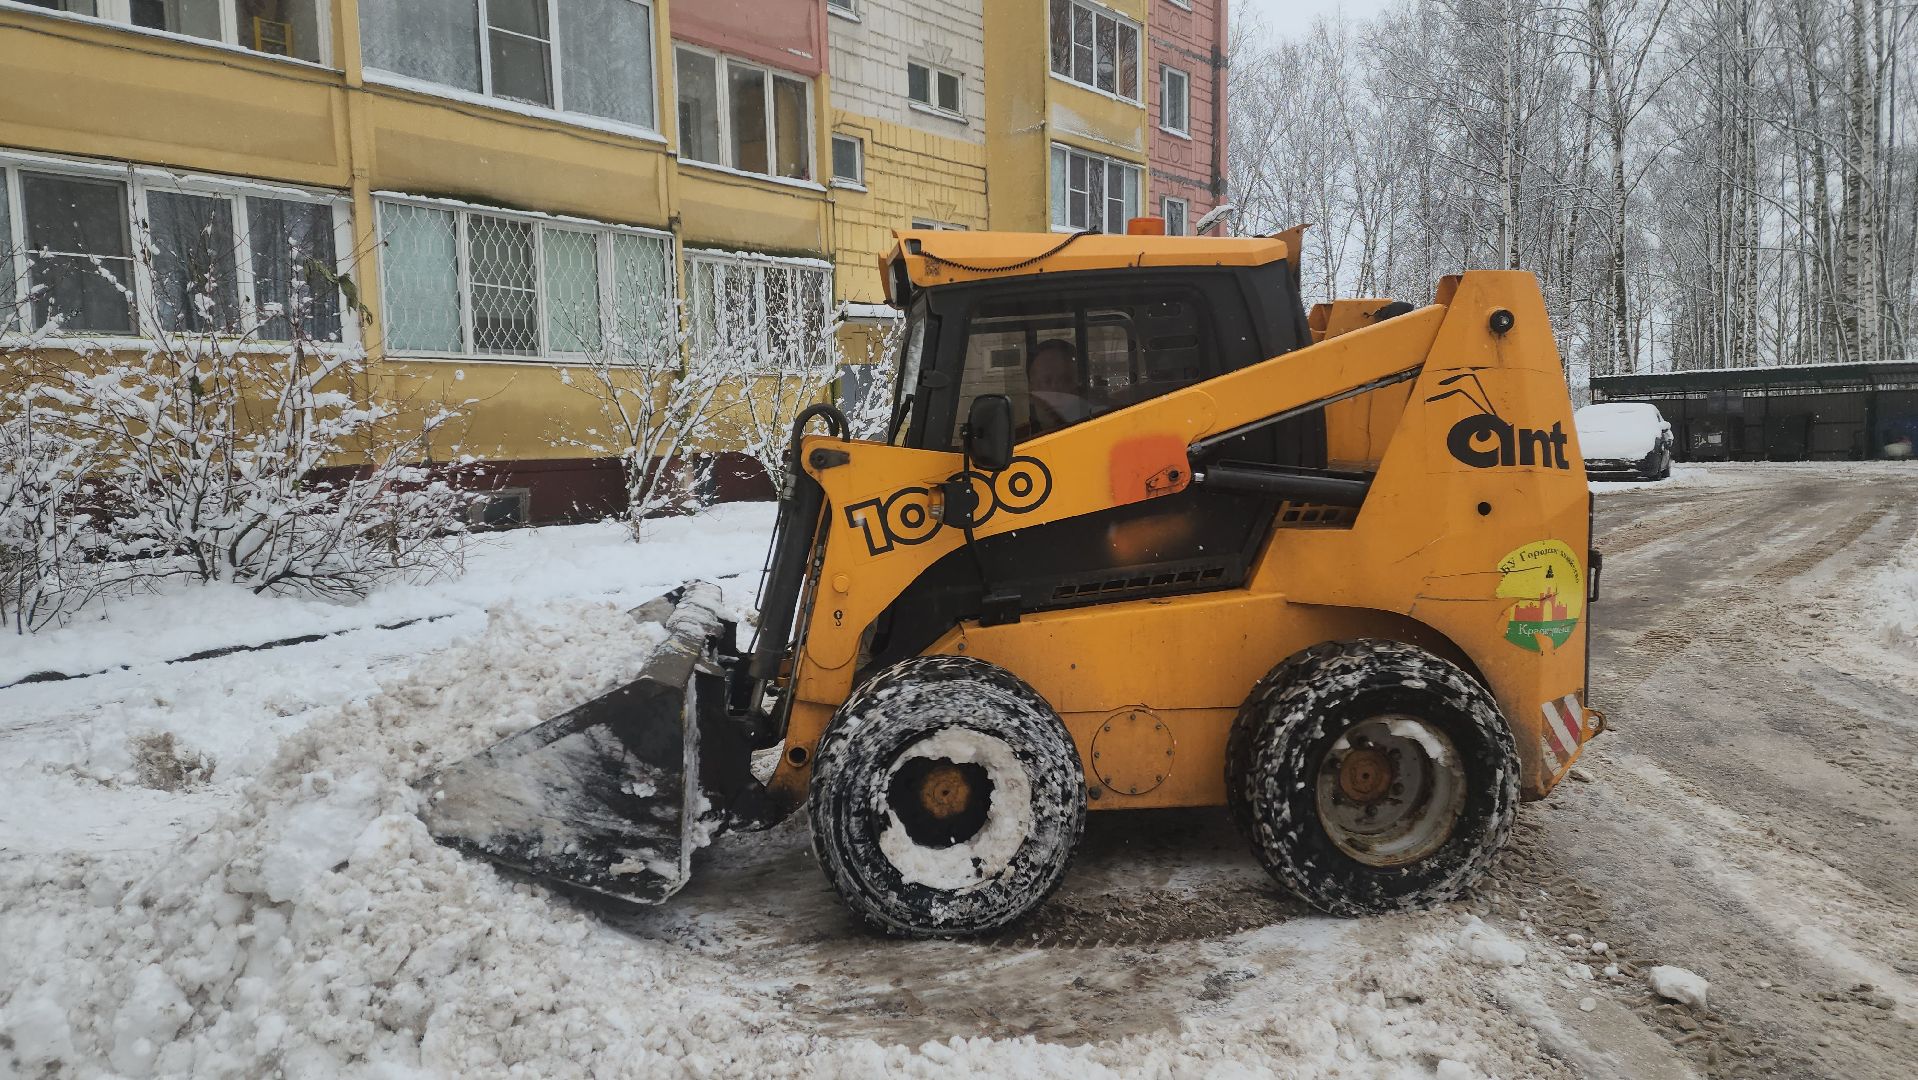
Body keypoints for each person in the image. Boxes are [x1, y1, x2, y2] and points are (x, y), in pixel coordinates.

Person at [1024, 338, 1091, 436]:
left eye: (1065, 380)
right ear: (1031, 391)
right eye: (1046, 382)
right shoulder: (1014, 443)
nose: (1055, 392)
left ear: (1080, 388)